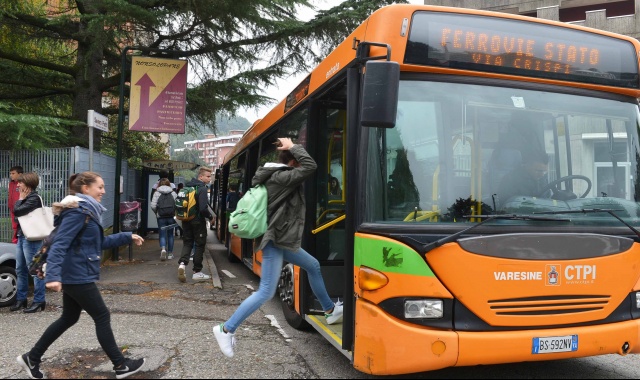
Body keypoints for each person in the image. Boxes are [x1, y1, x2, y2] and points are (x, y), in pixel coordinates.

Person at [213, 137, 343, 358]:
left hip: (280, 238)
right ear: (293, 162)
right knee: (266, 291)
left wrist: (292, 150)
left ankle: (330, 309)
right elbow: (311, 166)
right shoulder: (282, 177)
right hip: (274, 240)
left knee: (312, 265)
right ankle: (226, 329)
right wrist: (294, 146)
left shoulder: (273, 175)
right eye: (297, 160)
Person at [16, 172, 146, 380]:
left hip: (76, 271)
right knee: (101, 315)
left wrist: (126, 236)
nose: (103, 191)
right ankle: (120, 365)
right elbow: (60, 243)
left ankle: (32, 357)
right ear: (86, 188)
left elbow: (98, 243)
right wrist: (53, 276)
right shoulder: (79, 211)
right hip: (77, 273)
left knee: (69, 317)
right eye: (100, 187)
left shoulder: (87, 210)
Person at [10, 172, 46, 313]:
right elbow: (17, 215)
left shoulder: (34, 198)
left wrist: (20, 199)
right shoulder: (27, 198)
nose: (17, 185)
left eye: (20, 183)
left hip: (32, 238)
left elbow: (17, 211)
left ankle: (39, 301)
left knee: (34, 270)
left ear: (28, 184)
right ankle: (21, 299)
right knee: (20, 269)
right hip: (22, 236)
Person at [177, 167, 214, 283]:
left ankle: (182, 265)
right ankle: (197, 272)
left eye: (210, 176)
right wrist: (211, 217)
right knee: (199, 244)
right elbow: (203, 208)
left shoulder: (188, 187)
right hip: (197, 221)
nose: (209, 178)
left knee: (187, 242)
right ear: (200, 177)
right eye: (207, 176)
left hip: (186, 220)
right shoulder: (202, 189)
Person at [151, 178, 177, 261]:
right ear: (169, 184)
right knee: (170, 235)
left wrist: (157, 212)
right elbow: (177, 204)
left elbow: (153, 205)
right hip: (171, 216)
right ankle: (170, 253)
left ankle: (163, 249)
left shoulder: (157, 192)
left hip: (161, 216)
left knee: (162, 234)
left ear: (159, 184)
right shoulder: (173, 193)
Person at [8, 165, 23, 244]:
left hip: (20, 208)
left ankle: (17, 241)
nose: (11, 175)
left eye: (13, 173)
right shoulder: (11, 184)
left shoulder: (23, 183)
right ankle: (15, 241)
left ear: (20, 174)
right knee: (14, 226)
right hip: (12, 208)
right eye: (10, 173)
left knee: (19, 225)